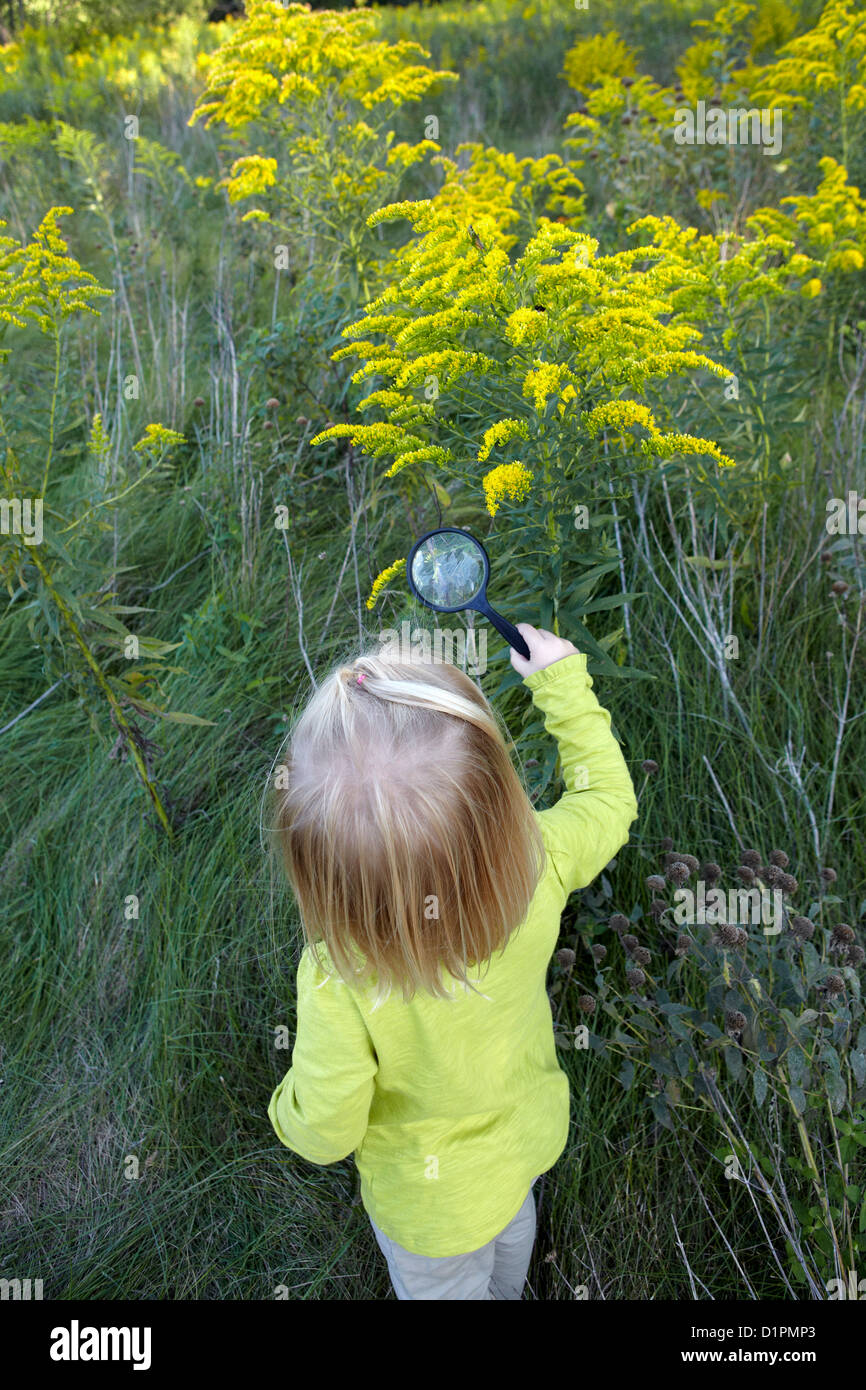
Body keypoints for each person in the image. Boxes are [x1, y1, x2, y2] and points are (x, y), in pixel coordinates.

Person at [267, 622, 638, 1299]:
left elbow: (324, 1130)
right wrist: (562, 684)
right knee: (510, 1256)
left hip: (430, 1214)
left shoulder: (338, 976)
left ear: (319, 874)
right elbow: (609, 801)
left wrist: (285, 1110)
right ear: (497, 799)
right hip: (522, 1151)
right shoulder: (541, 860)